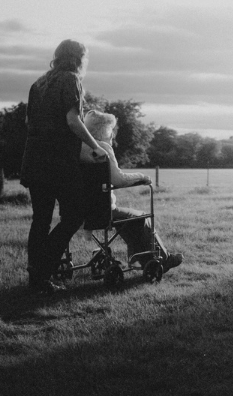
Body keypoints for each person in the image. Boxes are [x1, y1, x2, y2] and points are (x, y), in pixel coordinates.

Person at [20, 39, 108, 294]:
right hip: (57, 161)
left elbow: (29, 121)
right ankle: (42, 270)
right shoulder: (71, 80)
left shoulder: (38, 83)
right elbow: (72, 120)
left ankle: (36, 278)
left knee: (41, 220)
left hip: (34, 159)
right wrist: (95, 145)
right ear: (78, 58)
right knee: (74, 216)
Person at [80, 109, 183, 273]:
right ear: (105, 131)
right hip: (103, 211)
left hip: (79, 211)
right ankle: (163, 258)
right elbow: (119, 180)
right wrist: (142, 177)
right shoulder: (102, 148)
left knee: (129, 220)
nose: (112, 135)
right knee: (141, 217)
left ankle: (141, 259)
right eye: (111, 131)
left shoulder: (78, 148)